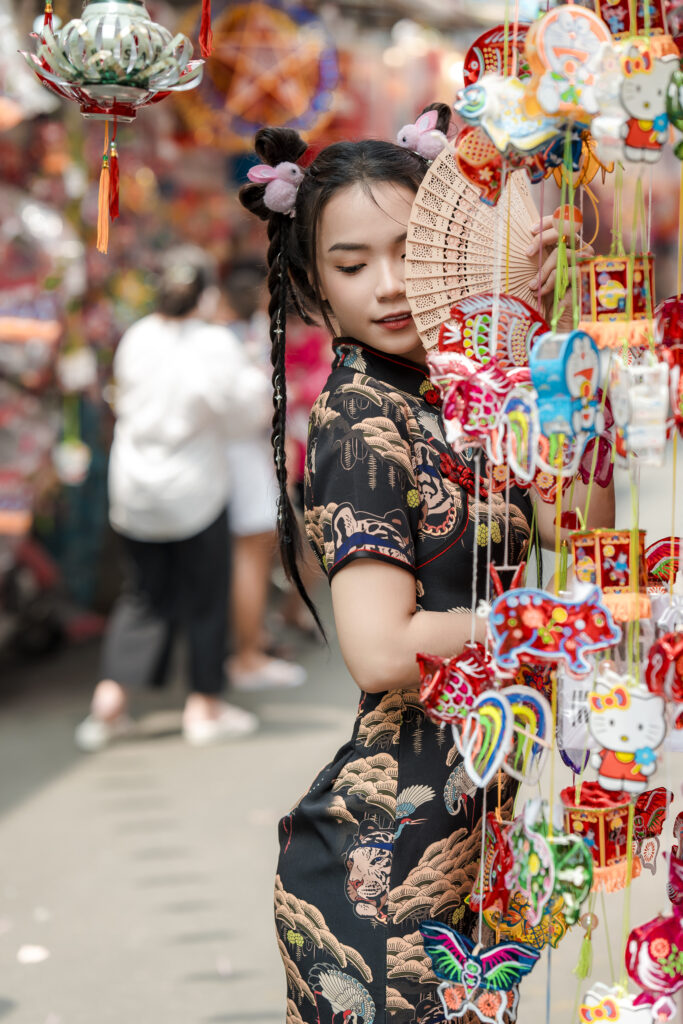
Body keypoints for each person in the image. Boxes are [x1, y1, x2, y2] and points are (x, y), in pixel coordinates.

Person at [239, 112, 615, 1020]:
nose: (393, 285)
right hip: (384, 877)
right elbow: (380, 652)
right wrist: (540, 623)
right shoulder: (358, 421)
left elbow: (578, 529)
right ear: (312, 283)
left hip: (476, 845)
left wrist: (553, 349)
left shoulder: (460, 393)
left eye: (413, 249)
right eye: (352, 263)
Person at [75, 247, 271, 751]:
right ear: (207, 293)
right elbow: (246, 413)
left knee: (142, 595)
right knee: (205, 597)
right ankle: (204, 707)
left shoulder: (137, 336)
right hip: (194, 491)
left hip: (135, 489)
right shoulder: (213, 344)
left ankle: (108, 704)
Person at [220, 259, 307, 690]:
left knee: (249, 554)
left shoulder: (223, 336)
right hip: (248, 458)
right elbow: (269, 402)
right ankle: (247, 654)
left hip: (229, 458)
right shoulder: (250, 337)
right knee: (251, 555)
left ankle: (254, 641)